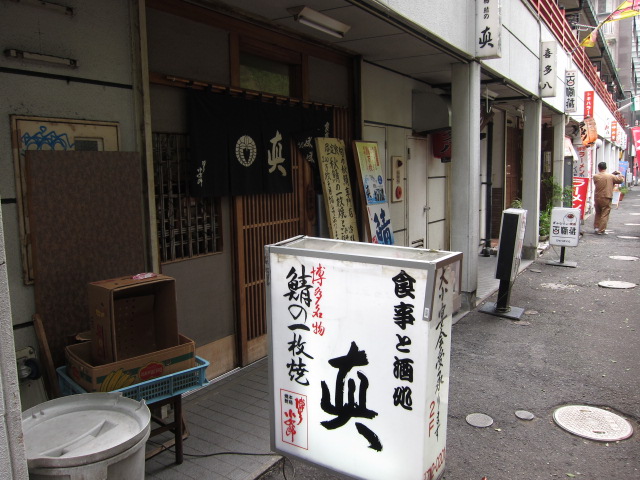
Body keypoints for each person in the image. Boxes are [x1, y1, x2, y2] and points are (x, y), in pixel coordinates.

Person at [592, 162, 624, 235]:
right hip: (607, 196)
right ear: (606, 168)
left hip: (597, 196)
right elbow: (620, 180)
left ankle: (596, 227)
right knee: (605, 213)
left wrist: (612, 174)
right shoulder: (610, 176)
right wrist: (619, 174)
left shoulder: (595, 176)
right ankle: (601, 229)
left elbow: (605, 178)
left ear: (598, 168)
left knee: (598, 212)